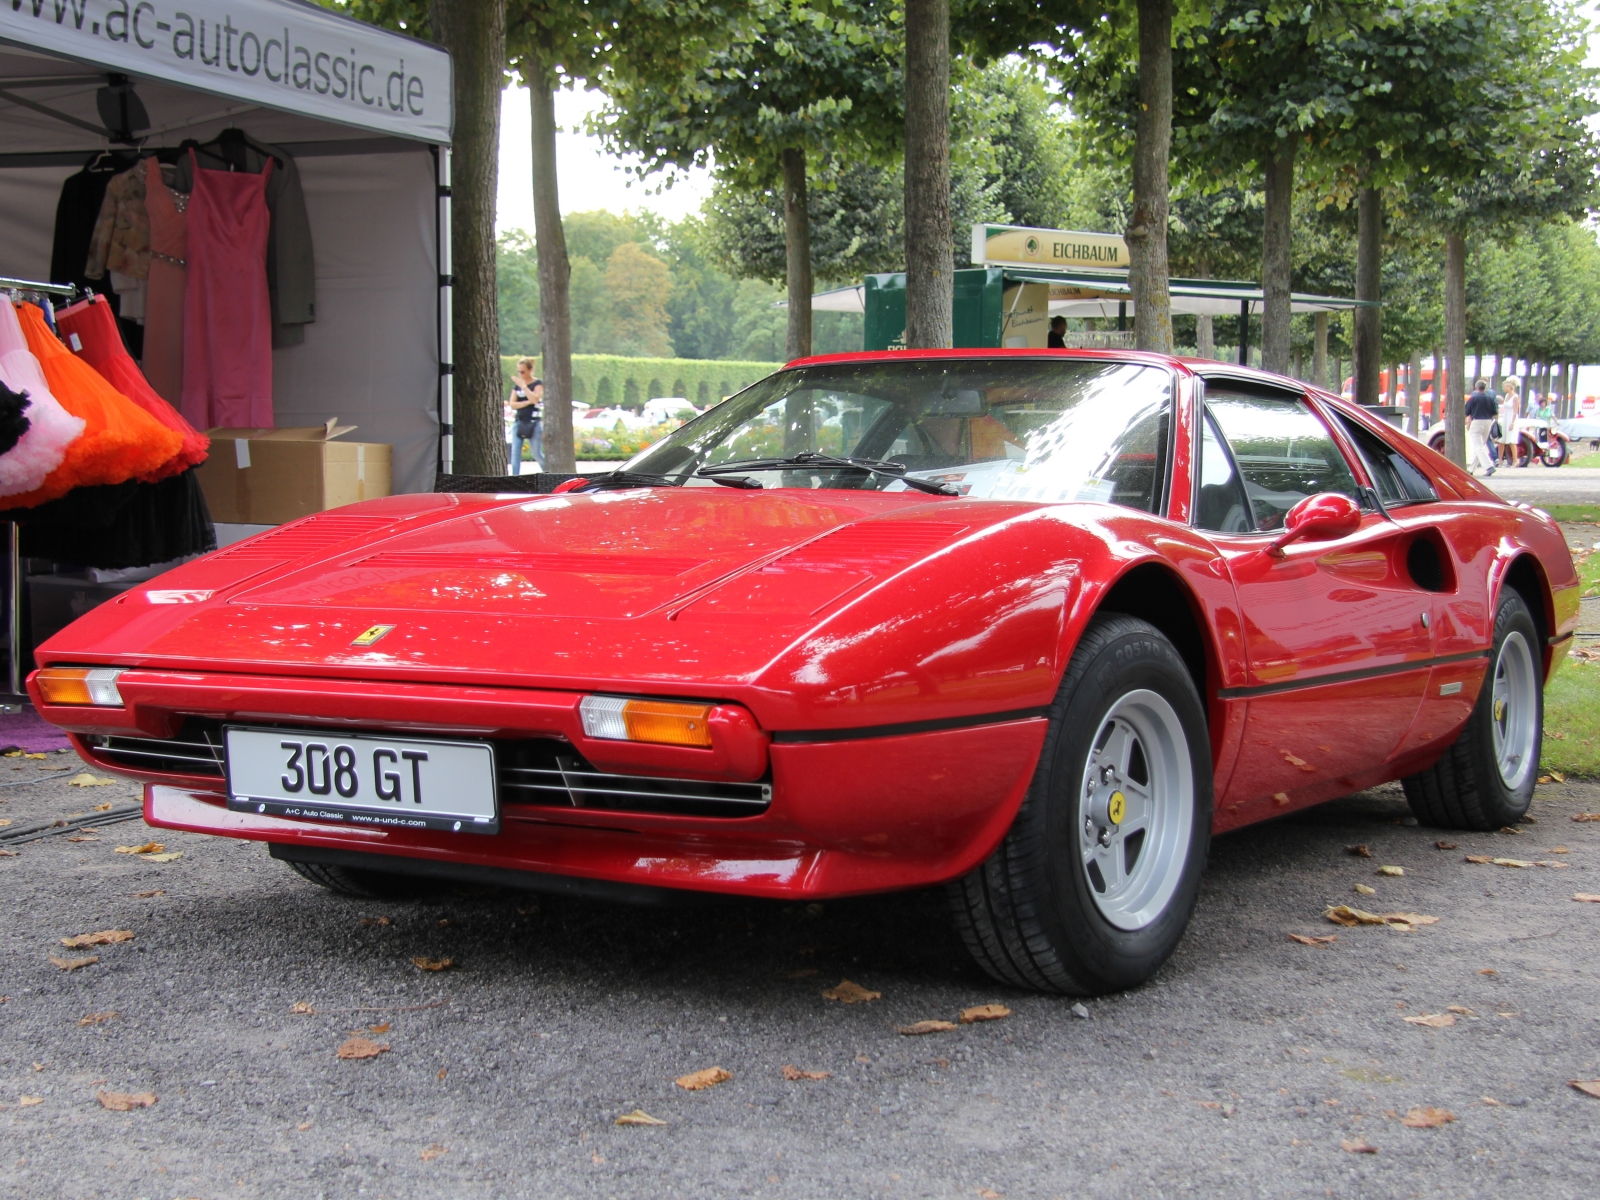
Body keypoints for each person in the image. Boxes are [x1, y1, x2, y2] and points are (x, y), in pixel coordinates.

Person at [508, 358, 542, 474]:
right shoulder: (516, 386)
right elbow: (512, 404)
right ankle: (515, 477)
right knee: (515, 454)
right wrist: (527, 402)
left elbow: (535, 398)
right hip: (520, 421)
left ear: (530, 370)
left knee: (536, 453)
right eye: (519, 372)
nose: (520, 374)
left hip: (534, 422)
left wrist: (524, 387)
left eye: (523, 372)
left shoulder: (537, 384)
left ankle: (549, 473)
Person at [1464, 379, 1499, 476]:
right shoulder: (1490, 398)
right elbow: (1495, 411)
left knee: (1478, 446)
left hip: (1477, 421)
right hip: (1488, 421)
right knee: (1480, 446)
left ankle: (1488, 466)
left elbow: (1467, 411)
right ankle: (1471, 469)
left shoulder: (1473, 398)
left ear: (1476, 388)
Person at [1498, 378, 1522, 467]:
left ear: (1509, 387)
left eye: (1504, 387)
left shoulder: (1515, 397)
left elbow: (1515, 411)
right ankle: (1500, 460)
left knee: (1511, 441)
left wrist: (1512, 422)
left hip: (1511, 418)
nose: (1503, 388)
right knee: (1502, 441)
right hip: (1505, 418)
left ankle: (1515, 460)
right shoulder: (1506, 396)